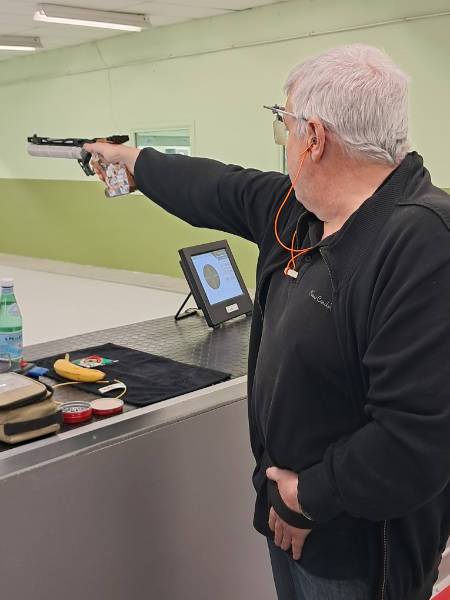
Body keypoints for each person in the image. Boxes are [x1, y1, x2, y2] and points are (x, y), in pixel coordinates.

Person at [85, 44, 450, 600]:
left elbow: (417, 439)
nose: (285, 138)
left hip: (357, 550)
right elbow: (214, 185)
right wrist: (132, 161)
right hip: (288, 516)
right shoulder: (298, 209)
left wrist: (307, 498)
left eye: (286, 121)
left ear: (315, 138)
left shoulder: (425, 242)